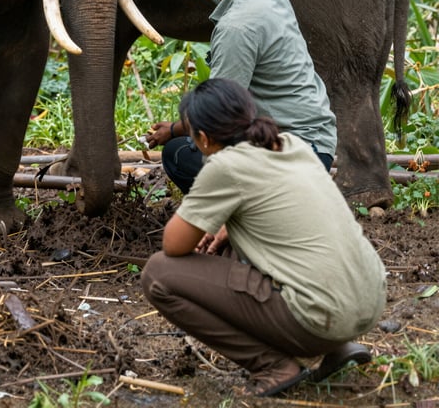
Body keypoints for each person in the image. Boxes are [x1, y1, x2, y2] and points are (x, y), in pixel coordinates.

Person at [141, 78, 384, 397]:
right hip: (370, 300)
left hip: (321, 316)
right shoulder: (290, 145)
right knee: (239, 243)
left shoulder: (225, 166)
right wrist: (227, 225)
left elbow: (174, 245)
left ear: (203, 138)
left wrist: (213, 214)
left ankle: (272, 365)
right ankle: (335, 346)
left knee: (158, 274)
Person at [120, 0, 337, 193]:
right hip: (316, 140)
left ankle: (252, 213)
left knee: (180, 154)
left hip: (295, 154)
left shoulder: (237, 28)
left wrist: (172, 130)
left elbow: (218, 115)